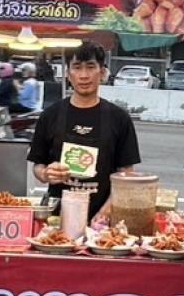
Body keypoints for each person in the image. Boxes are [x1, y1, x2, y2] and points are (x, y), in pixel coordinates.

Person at [28, 43, 142, 219]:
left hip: (103, 221)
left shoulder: (119, 118)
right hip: (56, 218)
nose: (83, 75)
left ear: (102, 73)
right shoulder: (50, 115)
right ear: (67, 74)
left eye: (90, 67)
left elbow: (126, 173)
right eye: (76, 67)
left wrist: (106, 212)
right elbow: (38, 165)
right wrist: (46, 174)